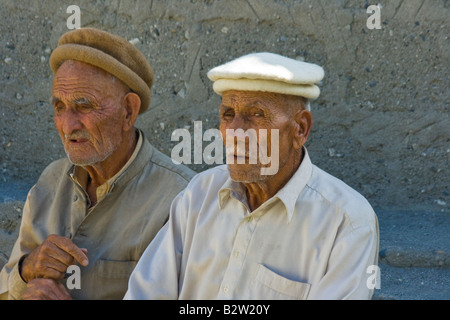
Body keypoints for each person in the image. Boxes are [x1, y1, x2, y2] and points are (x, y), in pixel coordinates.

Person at [124, 52, 379, 300]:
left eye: (257, 115)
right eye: (228, 115)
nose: (235, 132)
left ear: (300, 129)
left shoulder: (347, 221)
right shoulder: (199, 194)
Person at [0, 28, 195, 300]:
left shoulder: (181, 199)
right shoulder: (51, 181)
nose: (68, 126)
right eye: (59, 107)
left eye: (84, 106)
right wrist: (26, 271)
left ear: (129, 111)